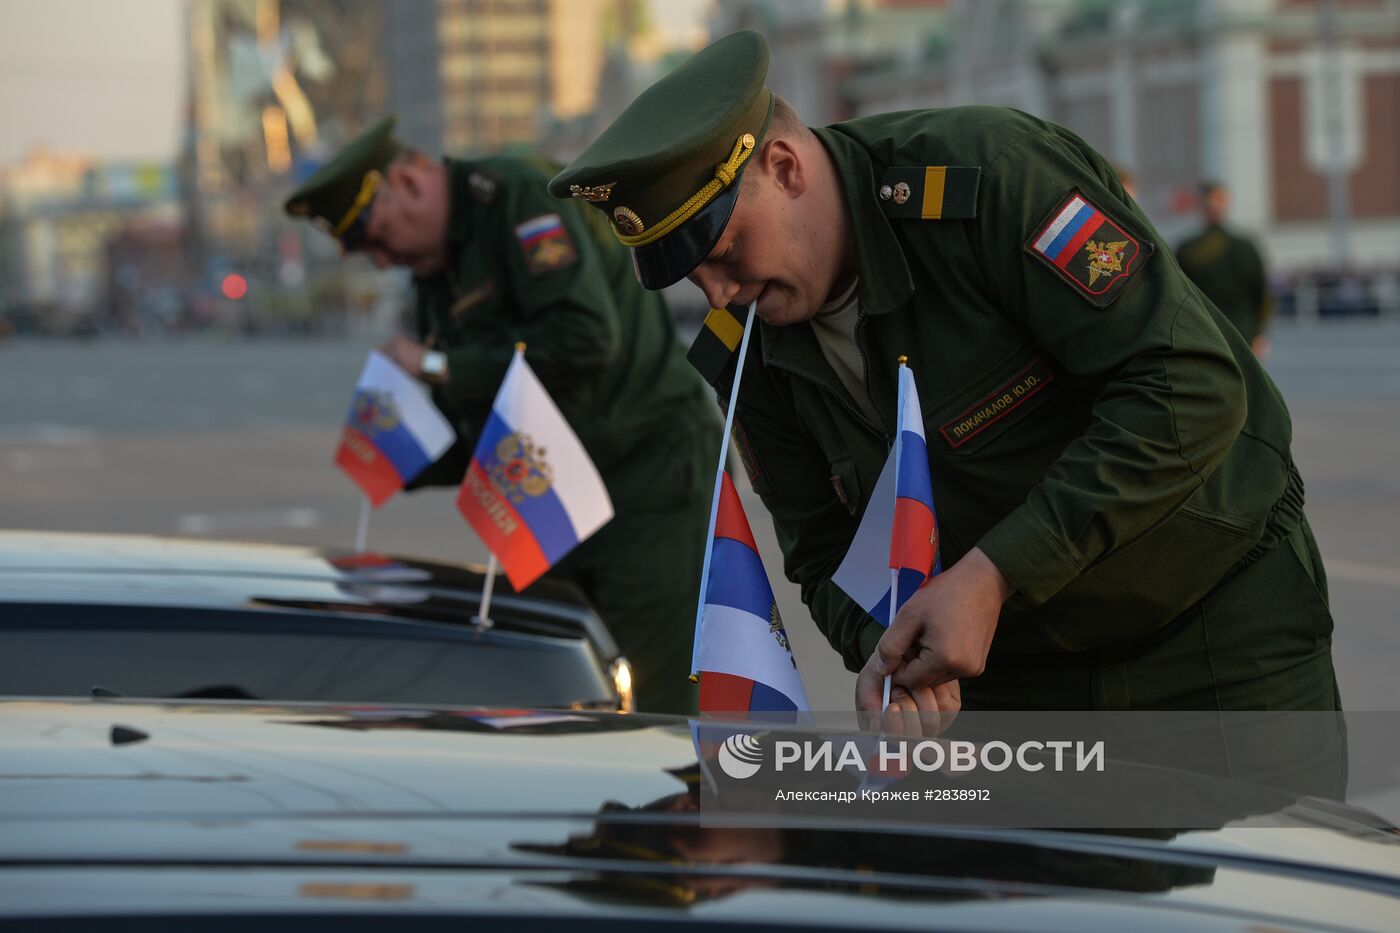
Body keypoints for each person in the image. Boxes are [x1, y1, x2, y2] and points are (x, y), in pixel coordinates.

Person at [548, 32, 1340, 717]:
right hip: (1014, 681)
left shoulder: (988, 183)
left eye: (723, 252)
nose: (718, 292)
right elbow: (820, 546)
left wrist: (992, 576)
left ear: (785, 167)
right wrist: (895, 656)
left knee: (1261, 884)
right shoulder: (746, 341)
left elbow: (1190, 383)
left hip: (1217, 638)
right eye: (691, 276)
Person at [284, 117, 719, 713]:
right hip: (549, 501)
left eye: (376, 236)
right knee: (554, 692)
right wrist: (401, 452)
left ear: (408, 180)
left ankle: (685, 805)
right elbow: (488, 408)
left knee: (655, 701)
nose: (382, 262)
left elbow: (585, 338)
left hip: (644, 481)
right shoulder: (434, 273)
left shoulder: (513, 197)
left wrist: (435, 364)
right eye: (366, 252)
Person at [1176, 182, 1273, 357]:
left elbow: (1178, 296)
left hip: (1203, 332)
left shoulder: (1187, 248)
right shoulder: (1245, 247)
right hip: (1241, 331)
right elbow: (1262, 295)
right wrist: (1259, 334)